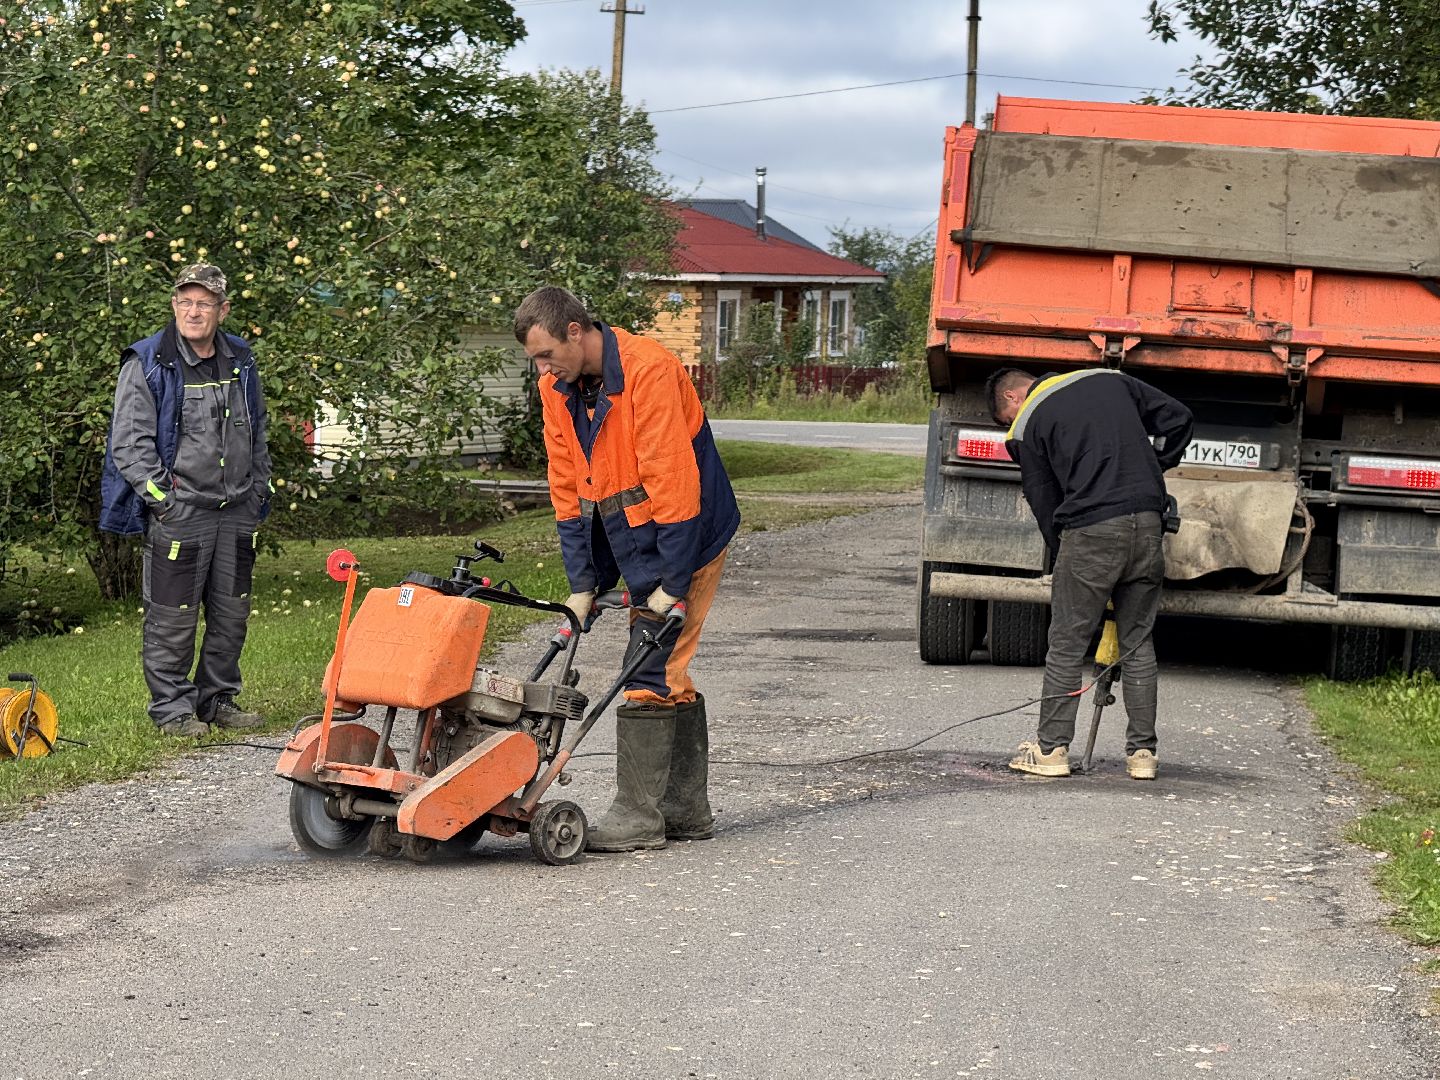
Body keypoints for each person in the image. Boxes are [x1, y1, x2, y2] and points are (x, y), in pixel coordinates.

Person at [514, 286, 740, 851]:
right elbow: (567, 486)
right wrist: (583, 584)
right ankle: (685, 810)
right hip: (632, 538)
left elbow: (673, 484)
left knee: (650, 664)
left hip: (690, 533)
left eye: (546, 355)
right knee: (668, 667)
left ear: (574, 331)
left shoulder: (648, 371)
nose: (541, 370)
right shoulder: (557, 389)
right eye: (534, 361)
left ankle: (639, 815)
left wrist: (672, 585)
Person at [986, 366, 1193, 780]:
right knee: (1137, 643)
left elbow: (1046, 504)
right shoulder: (1109, 378)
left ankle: (1051, 750)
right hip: (1150, 522)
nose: (1011, 424)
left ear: (1012, 398)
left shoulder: (1025, 425)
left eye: (1006, 419)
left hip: (1092, 531)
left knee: (1067, 642)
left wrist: (1069, 559)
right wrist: (1156, 467)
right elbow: (1180, 418)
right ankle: (1142, 756)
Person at [99, 263, 274, 738]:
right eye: (186, 301)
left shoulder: (240, 357)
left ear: (223, 309)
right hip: (182, 514)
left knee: (231, 612)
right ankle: (172, 710)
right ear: (175, 305)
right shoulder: (149, 361)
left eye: (205, 303)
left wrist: (259, 489)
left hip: (236, 511)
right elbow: (130, 446)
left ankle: (217, 700)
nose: (194, 311)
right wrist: (165, 502)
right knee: (172, 617)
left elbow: (257, 429)